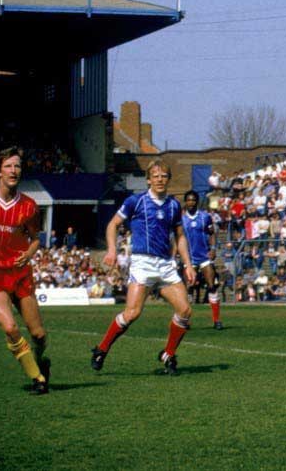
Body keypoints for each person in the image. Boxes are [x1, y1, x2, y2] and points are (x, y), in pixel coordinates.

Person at [91, 161, 196, 376]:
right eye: (155, 176)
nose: (159, 179)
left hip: (166, 265)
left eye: (164, 176)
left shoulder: (174, 205)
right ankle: (102, 349)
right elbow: (113, 224)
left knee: (185, 310)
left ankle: (168, 354)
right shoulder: (135, 201)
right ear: (148, 179)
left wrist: (188, 264)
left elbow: (180, 236)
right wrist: (112, 250)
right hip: (142, 263)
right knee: (132, 313)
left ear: (168, 179)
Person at [0, 147, 50, 395]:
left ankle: (40, 359)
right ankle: (37, 378)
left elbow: (36, 238)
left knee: (38, 334)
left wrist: (30, 253)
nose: (14, 171)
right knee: (11, 328)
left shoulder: (30, 206)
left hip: (20, 275)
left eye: (17, 166)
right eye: (9, 166)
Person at [182, 190, 223, 330]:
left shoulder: (205, 217)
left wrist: (213, 248)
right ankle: (185, 320)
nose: (191, 202)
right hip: (189, 258)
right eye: (188, 200)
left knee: (212, 286)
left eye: (193, 200)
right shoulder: (181, 219)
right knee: (189, 288)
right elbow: (178, 239)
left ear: (197, 202)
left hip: (204, 256)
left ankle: (217, 320)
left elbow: (212, 233)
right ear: (185, 202)